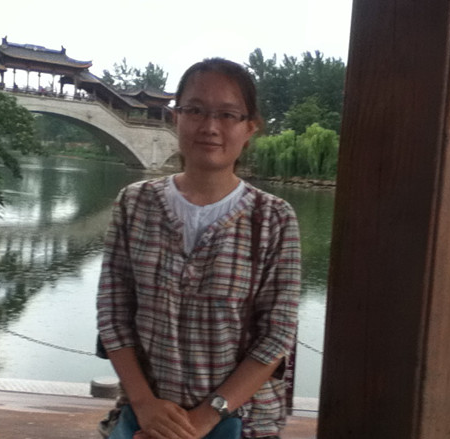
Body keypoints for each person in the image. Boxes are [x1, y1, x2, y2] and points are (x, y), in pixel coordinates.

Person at [97, 58, 301, 439]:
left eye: (228, 115)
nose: (210, 127)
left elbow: (277, 335)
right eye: (195, 111)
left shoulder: (274, 218)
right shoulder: (134, 204)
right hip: (149, 416)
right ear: (176, 118)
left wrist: (205, 418)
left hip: (243, 421)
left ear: (249, 128)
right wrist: (144, 404)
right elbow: (113, 314)